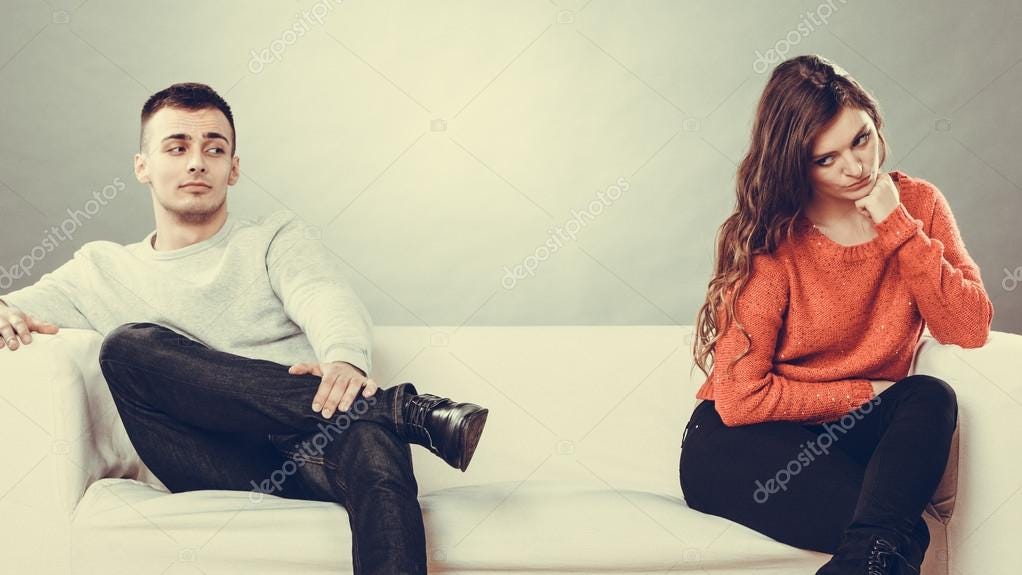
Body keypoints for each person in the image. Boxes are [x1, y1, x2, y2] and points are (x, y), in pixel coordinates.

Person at [0, 82, 489, 575]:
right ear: (142, 166)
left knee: (371, 435)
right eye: (177, 147)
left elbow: (322, 295)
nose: (197, 162)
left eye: (214, 149)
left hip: (314, 441)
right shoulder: (99, 268)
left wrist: (343, 358)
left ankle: (384, 416)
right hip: (207, 456)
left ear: (233, 168)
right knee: (127, 346)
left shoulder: (273, 237)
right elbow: (10, 307)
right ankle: (402, 408)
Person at [681, 55, 992, 575]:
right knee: (900, 537)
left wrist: (897, 225)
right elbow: (739, 400)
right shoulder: (771, 240)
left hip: (841, 435)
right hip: (737, 445)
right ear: (795, 164)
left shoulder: (919, 205)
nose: (855, 167)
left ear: (875, 121)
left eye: (861, 139)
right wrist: (859, 393)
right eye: (825, 159)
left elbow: (968, 326)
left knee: (929, 396)